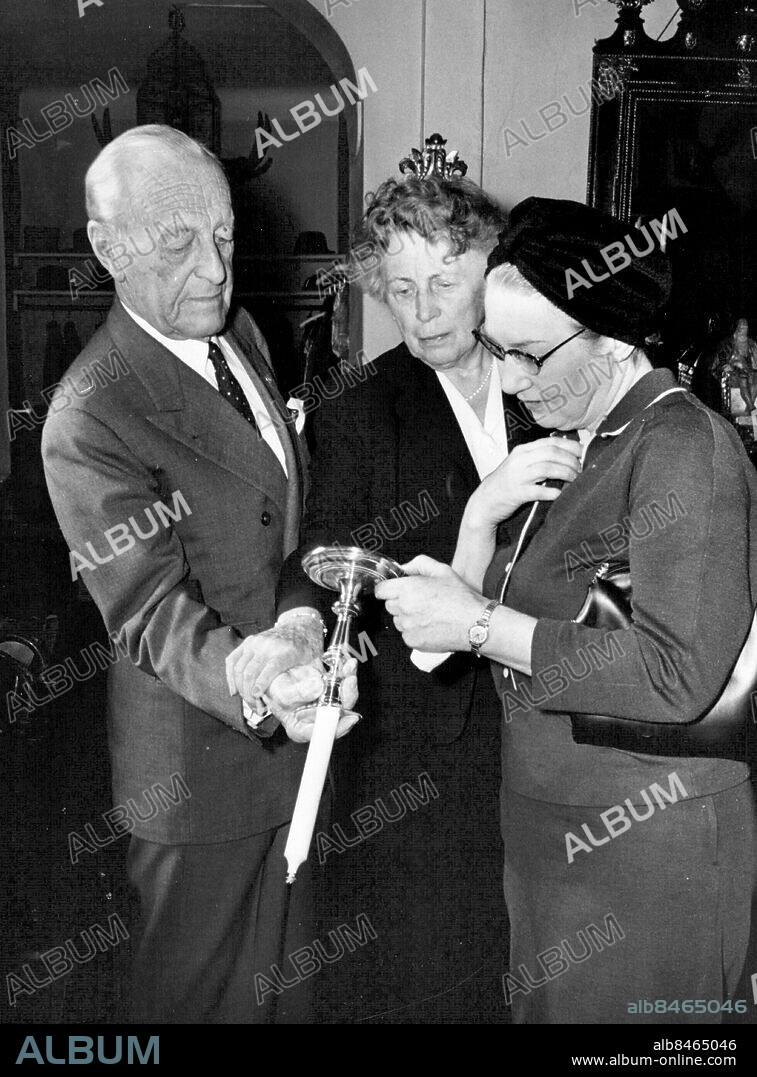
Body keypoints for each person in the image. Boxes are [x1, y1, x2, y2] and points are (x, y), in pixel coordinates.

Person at [374, 196, 757, 1024]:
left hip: (649, 851)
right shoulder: (583, 443)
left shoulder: (683, 446)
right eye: (494, 348)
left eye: (527, 355)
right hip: (555, 838)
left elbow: (675, 674)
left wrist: (480, 626)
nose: (507, 378)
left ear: (614, 338)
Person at [226, 147, 584, 1023]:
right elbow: (320, 553)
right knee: (438, 981)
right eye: (399, 288)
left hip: (561, 736)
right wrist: (298, 632)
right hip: (428, 762)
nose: (421, 314)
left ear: (491, 271)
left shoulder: (551, 380)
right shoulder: (361, 406)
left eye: (444, 282)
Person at [41, 124, 356, 1024]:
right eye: (177, 244)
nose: (215, 267)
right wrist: (264, 684)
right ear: (107, 249)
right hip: (199, 774)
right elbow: (147, 609)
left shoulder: (240, 333)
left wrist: (299, 626)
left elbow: (288, 522)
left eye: (221, 233)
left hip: (297, 750)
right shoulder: (89, 410)